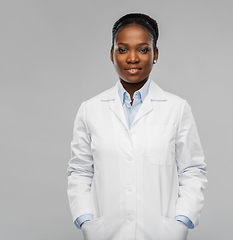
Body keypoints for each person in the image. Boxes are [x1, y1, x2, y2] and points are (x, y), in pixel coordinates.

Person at [67, 13, 207, 240]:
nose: (132, 58)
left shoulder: (177, 108)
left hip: (161, 233)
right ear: (111, 55)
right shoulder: (90, 110)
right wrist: (86, 219)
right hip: (106, 232)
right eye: (122, 49)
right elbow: (80, 171)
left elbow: (192, 170)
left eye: (143, 49)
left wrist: (182, 220)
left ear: (155, 55)